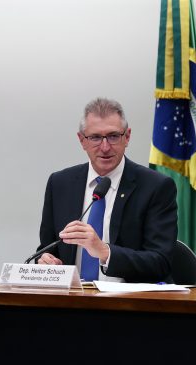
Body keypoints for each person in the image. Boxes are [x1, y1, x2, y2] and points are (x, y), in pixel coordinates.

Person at [37, 97, 177, 283]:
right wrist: (45, 261)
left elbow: (160, 262)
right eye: (95, 137)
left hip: (129, 299)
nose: (105, 147)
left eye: (113, 136)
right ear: (82, 140)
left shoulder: (156, 187)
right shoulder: (60, 184)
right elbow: (47, 249)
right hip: (72, 297)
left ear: (127, 137)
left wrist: (104, 251)